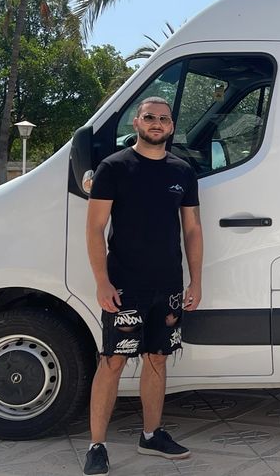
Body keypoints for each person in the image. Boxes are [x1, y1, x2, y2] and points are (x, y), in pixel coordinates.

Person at [82, 97, 203, 475]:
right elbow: (95, 228)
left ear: (171, 127)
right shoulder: (114, 167)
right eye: (149, 117)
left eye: (163, 119)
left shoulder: (182, 171)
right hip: (124, 286)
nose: (156, 123)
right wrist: (102, 282)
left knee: (158, 358)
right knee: (113, 360)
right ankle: (97, 446)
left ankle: (151, 435)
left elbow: (192, 229)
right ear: (136, 122)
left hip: (168, 285)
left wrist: (196, 280)